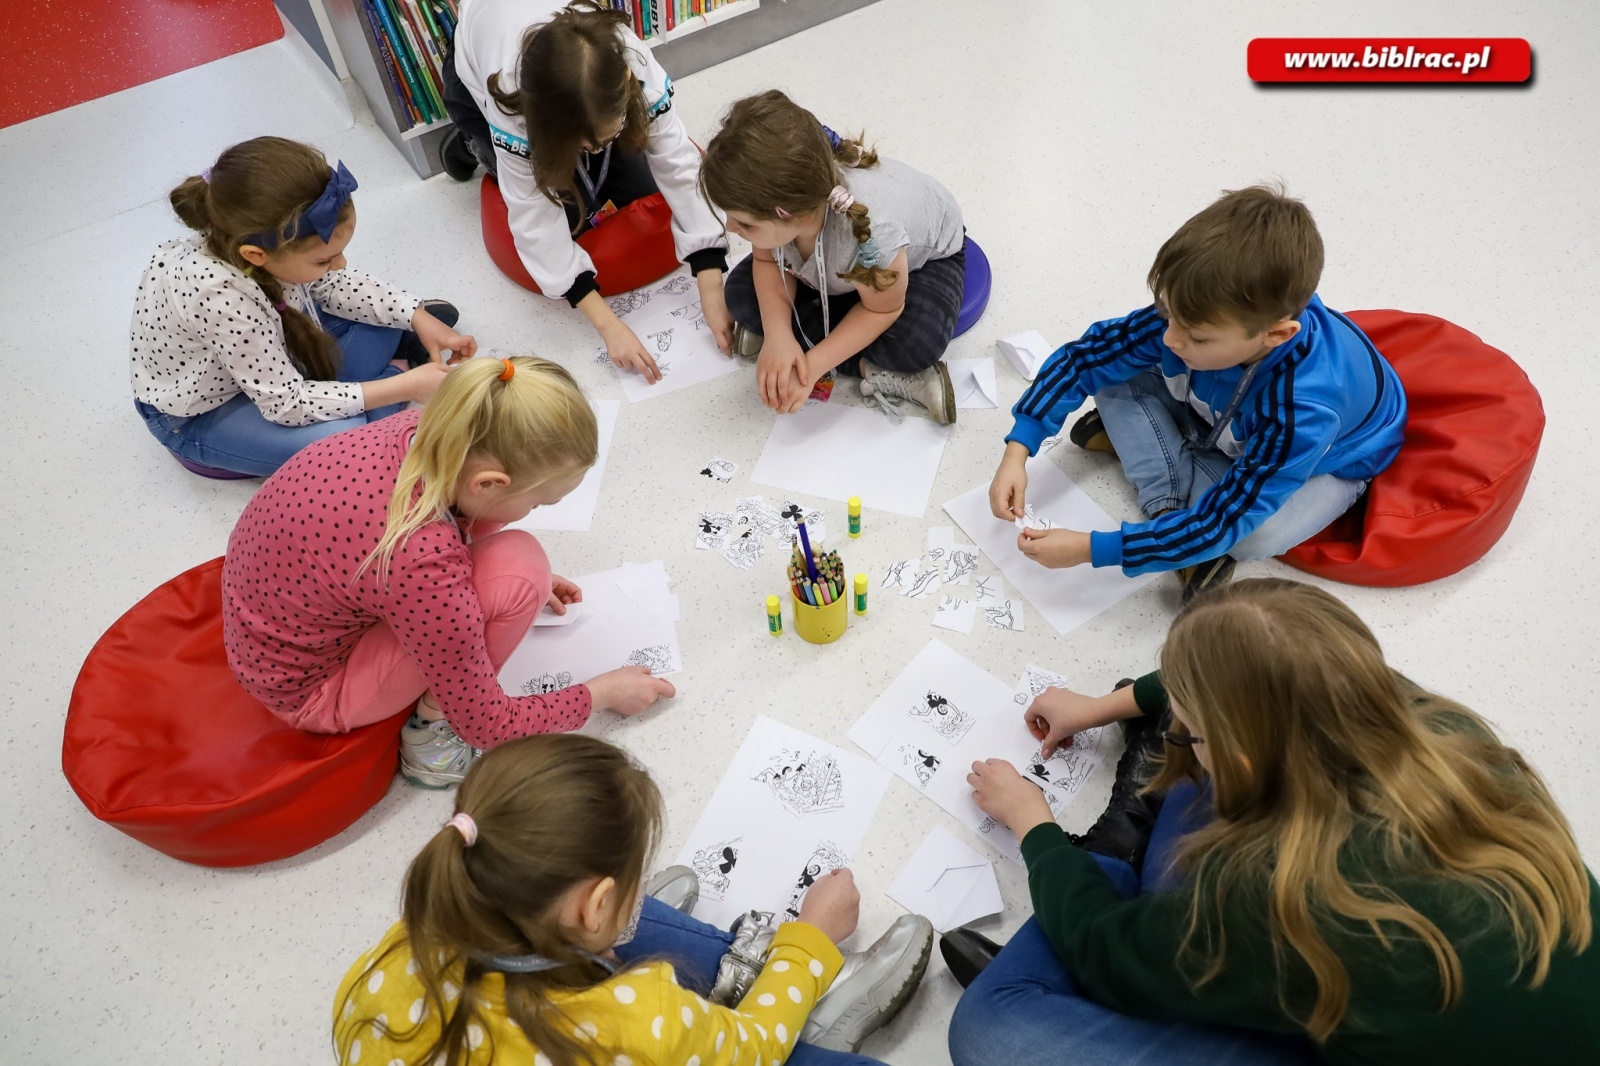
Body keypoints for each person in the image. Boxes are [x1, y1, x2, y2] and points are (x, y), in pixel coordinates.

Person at [943, 578, 1599, 1065]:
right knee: (1190, 794)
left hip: (1318, 958)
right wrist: (1104, 705)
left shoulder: (1269, 891)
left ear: (1240, 752)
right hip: (1439, 999)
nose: (1177, 731)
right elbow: (1250, 669)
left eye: (1189, 731)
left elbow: (1105, 951)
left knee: (990, 1027)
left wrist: (1037, 830)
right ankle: (1126, 865)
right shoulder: (1426, 720)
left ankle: (1112, 866)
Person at [333, 733, 934, 1064]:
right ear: (593, 906)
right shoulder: (642, 1016)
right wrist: (809, 942)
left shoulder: (393, 953)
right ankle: (814, 1008)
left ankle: (737, 974)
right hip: (664, 1043)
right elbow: (755, 1051)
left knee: (645, 935)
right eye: (627, 886)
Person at [222, 356, 673, 788]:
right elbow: (488, 723)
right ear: (489, 483)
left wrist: (478, 582)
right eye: (538, 502)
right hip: (314, 692)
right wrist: (603, 693)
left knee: (502, 543)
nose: (532, 512)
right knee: (521, 566)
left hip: (272, 634)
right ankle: (432, 741)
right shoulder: (420, 557)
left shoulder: (426, 430)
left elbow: (429, 551)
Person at [988, 185, 1407, 601]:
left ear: (1277, 334)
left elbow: (1227, 521)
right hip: (1230, 413)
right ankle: (1177, 516)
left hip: (1329, 461)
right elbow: (1085, 359)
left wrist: (1092, 549)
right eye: (1168, 315)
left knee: (1249, 537)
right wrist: (1018, 450)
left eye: (1197, 338)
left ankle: (1170, 497)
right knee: (1112, 371)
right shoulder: (1197, 318)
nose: (1171, 339)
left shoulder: (1303, 408)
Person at [131, 136, 474, 477]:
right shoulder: (219, 297)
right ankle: (395, 375)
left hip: (269, 360)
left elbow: (335, 284)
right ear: (256, 256)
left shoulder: (253, 241)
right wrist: (405, 385)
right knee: (345, 439)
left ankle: (394, 364)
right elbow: (285, 403)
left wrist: (414, 314)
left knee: (384, 314)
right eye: (325, 259)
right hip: (199, 416)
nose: (340, 264)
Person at [443, 0, 732, 379]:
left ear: (627, 80)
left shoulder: (634, 62)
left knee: (633, 187)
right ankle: (469, 145)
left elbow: (678, 162)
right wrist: (608, 325)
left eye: (601, 140)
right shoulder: (513, 107)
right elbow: (534, 219)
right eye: (584, 145)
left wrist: (710, 281)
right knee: (567, 211)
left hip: (570, 95)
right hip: (478, 88)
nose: (596, 150)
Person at [700, 90, 967, 424]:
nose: (730, 227)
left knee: (918, 342)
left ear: (791, 215)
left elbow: (881, 309)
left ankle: (893, 372)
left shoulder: (877, 232)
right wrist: (779, 335)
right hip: (843, 270)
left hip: (923, 261)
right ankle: (829, 348)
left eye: (745, 224)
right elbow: (767, 261)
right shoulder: (787, 204)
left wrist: (809, 368)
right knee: (739, 295)